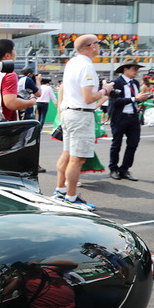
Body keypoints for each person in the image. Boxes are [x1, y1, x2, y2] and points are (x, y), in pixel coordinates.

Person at [54, 35, 114, 209]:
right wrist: (105, 90)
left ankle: (60, 190)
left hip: (69, 113)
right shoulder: (86, 66)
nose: (99, 47)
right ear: (91, 46)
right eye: (97, 44)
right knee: (77, 159)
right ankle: (71, 198)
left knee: (67, 154)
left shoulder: (72, 62)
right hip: (80, 114)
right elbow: (88, 98)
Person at [108, 58, 151, 181]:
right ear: (125, 69)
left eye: (138, 69)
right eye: (134, 69)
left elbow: (136, 99)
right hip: (119, 118)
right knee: (116, 144)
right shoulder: (115, 82)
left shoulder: (136, 83)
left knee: (133, 144)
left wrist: (142, 98)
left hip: (133, 117)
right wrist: (134, 98)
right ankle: (113, 168)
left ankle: (124, 169)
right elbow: (115, 102)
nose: (137, 71)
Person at [0, 39, 38, 122]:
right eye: (14, 50)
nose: (16, 54)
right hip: (4, 125)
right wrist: (31, 102)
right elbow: (11, 103)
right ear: (7, 55)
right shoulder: (8, 74)